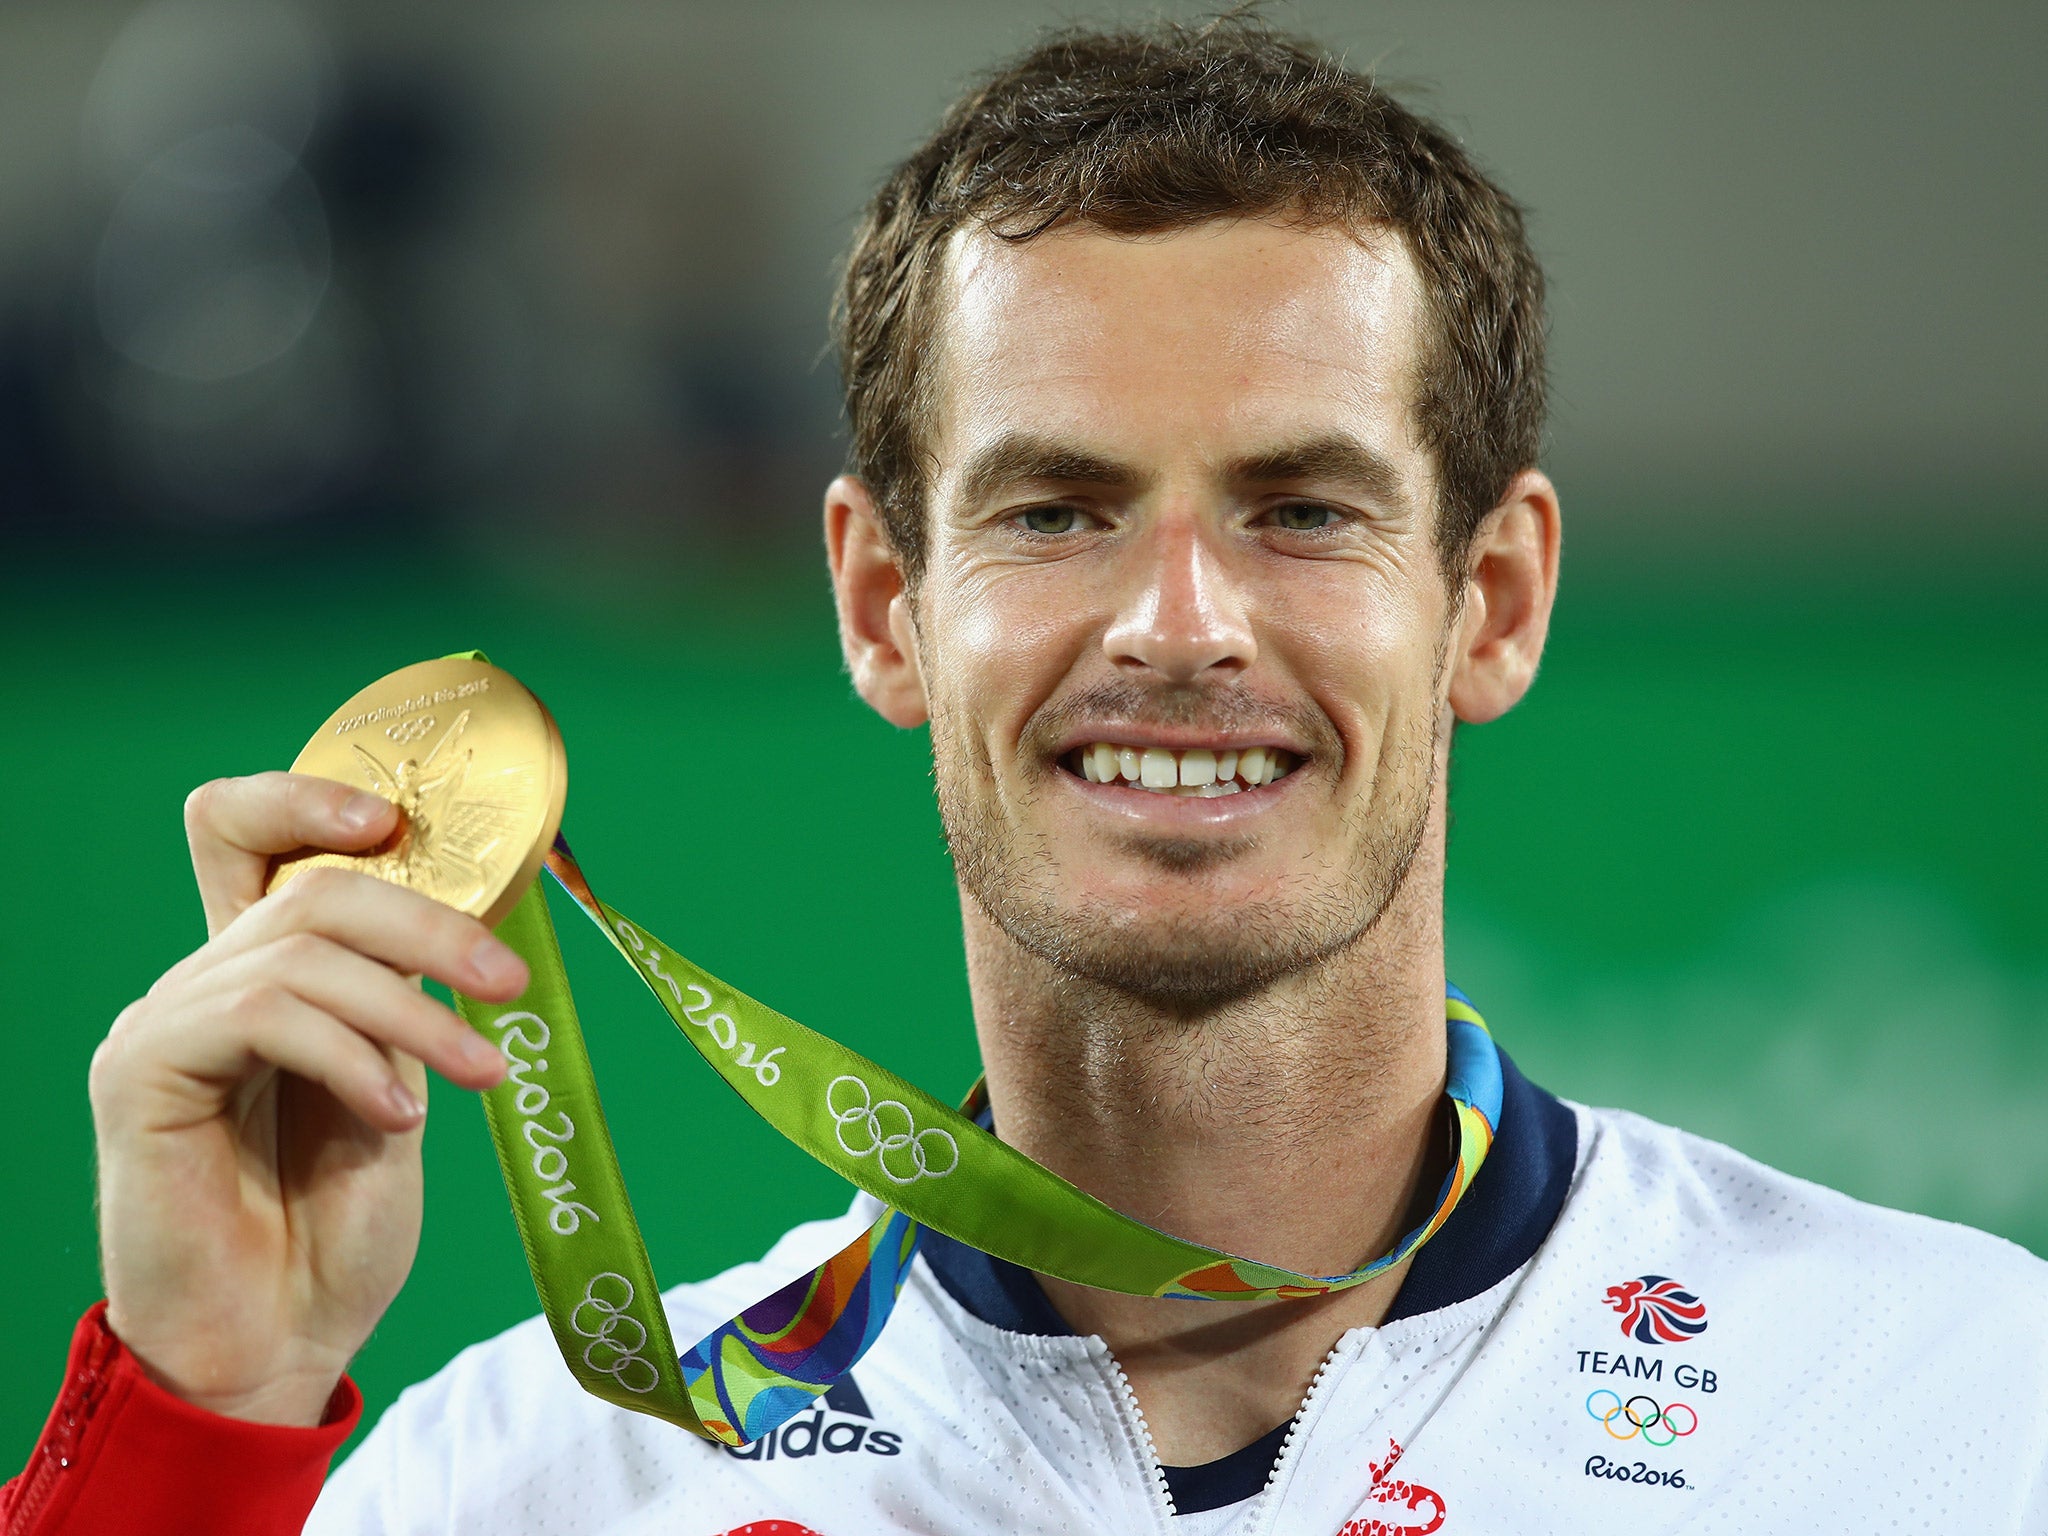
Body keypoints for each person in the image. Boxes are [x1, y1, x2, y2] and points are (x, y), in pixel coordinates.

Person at [8, 16, 2045, 1535]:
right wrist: (204, 1407)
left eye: (1301, 510)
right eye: (1058, 509)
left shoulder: (1949, 1412)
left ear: (1491, 601)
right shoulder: (533, 1480)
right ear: (884, 602)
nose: (1177, 617)